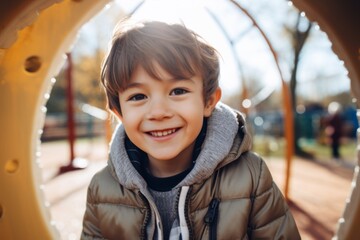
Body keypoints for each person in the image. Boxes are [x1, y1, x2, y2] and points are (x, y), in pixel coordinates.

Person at [81, 19, 300, 239]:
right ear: (119, 114)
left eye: (177, 91)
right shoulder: (102, 189)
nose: (158, 112)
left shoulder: (251, 177)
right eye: (138, 96)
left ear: (208, 102)